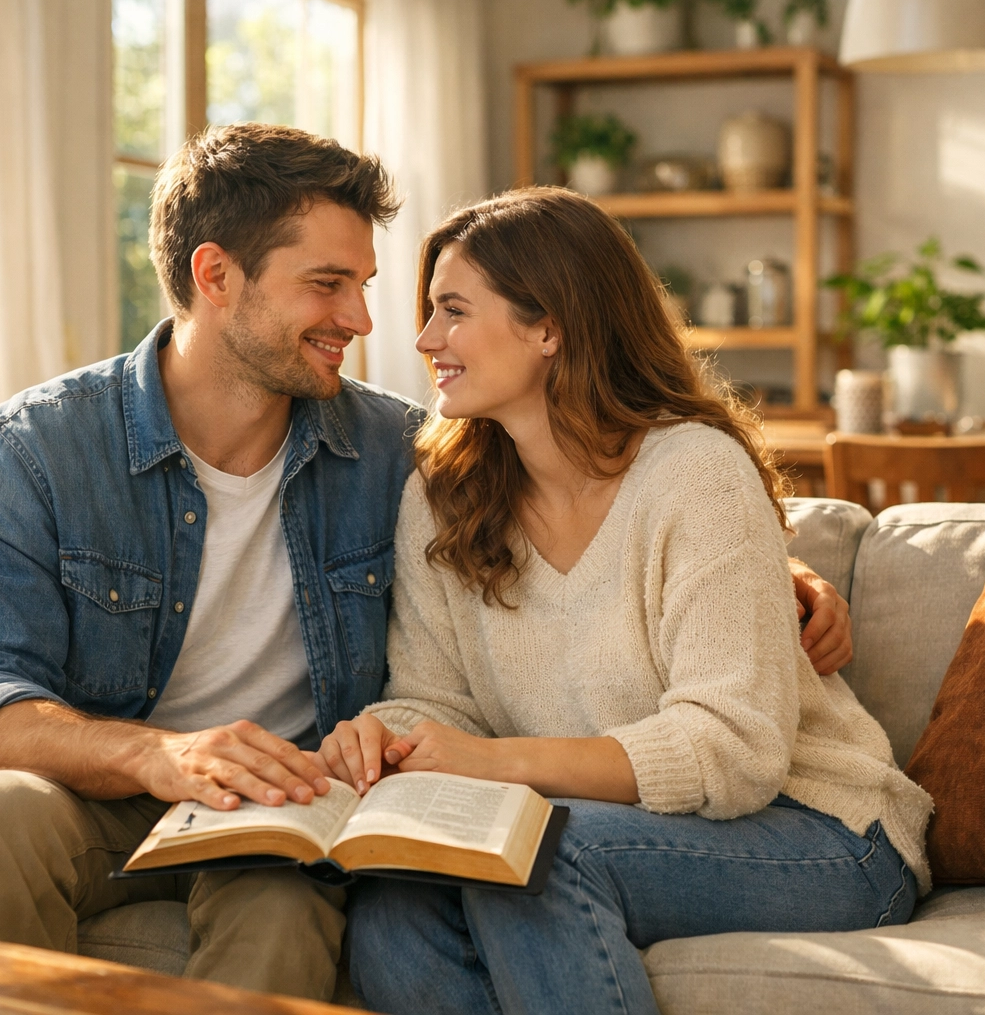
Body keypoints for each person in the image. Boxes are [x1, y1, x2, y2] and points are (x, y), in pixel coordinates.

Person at [0, 124, 857, 1003]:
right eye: (328, 284)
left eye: (366, 285)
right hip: (103, 794)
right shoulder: (36, 449)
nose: (366, 322)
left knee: (333, 910)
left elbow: (632, 498)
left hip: (285, 811)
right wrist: (162, 756)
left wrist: (779, 578)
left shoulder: (398, 454)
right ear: (216, 273)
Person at [320, 187, 933, 1015]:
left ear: (549, 327)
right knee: (394, 903)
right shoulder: (443, 495)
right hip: (602, 826)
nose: (426, 340)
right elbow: (436, 700)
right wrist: (386, 742)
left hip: (824, 831)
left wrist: (495, 768)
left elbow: (733, 751)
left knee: (536, 852)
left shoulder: (693, 475)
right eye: (430, 312)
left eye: (453, 311)